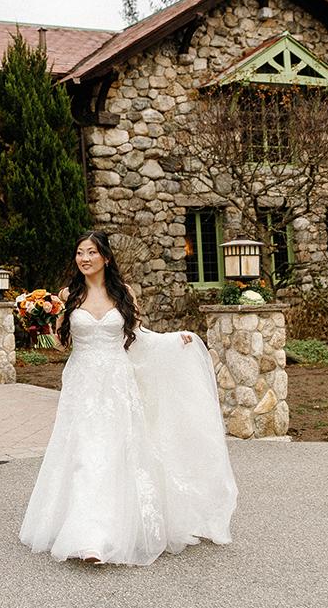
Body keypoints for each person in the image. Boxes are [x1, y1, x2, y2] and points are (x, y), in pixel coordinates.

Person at [18, 230, 238, 566]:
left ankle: (111, 531)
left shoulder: (123, 294)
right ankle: (87, 537)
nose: (84, 258)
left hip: (117, 382)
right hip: (83, 383)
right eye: (79, 253)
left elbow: (138, 338)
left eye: (91, 252)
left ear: (105, 257)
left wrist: (172, 341)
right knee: (85, 453)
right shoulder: (67, 295)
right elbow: (61, 344)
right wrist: (40, 323)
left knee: (116, 451)